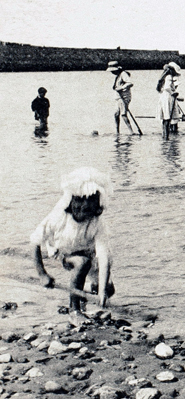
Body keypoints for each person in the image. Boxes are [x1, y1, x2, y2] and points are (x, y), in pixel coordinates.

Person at [31, 167, 114, 322]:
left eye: (89, 209)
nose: (82, 212)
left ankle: (82, 289)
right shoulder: (59, 216)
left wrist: (102, 290)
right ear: (72, 202)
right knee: (82, 263)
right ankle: (74, 309)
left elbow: (104, 257)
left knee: (108, 289)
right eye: (78, 205)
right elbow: (35, 241)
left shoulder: (98, 223)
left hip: (88, 251)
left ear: (96, 208)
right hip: (64, 251)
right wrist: (42, 274)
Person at [107, 61, 134, 134]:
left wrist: (122, 88)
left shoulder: (123, 74)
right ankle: (117, 132)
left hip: (124, 97)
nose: (112, 72)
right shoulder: (118, 76)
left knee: (123, 114)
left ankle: (131, 131)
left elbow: (130, 83)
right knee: (116, 114)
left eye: (113, 71)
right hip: (118, 98)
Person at [156, 62, 181, 140]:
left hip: (164, 97)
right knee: (168, 118)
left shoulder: (164, 77)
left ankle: (164, 136)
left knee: (165, 119)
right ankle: (166, 137)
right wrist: (173, 93)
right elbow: (167, 87)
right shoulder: (169, 77)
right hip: (168, 98)